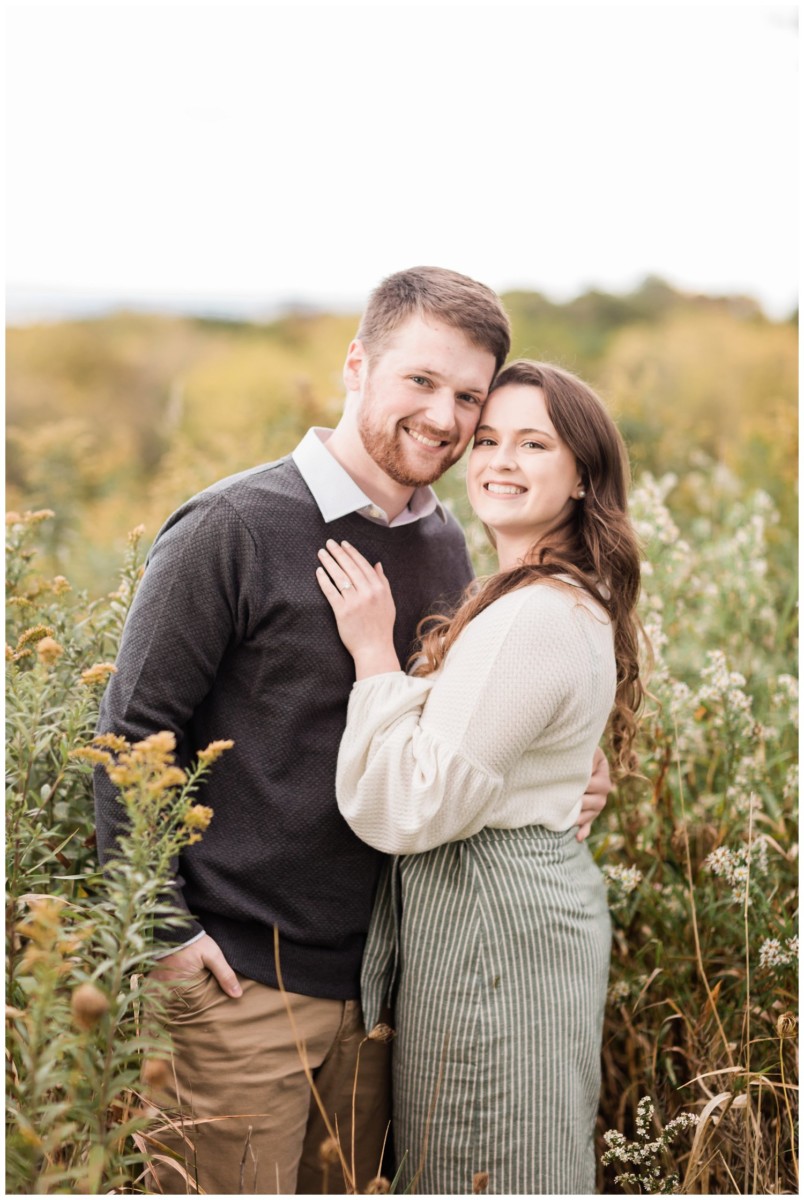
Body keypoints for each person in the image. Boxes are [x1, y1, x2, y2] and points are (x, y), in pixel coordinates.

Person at [94, 269, 611, 1195]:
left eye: (467, 397)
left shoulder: (451, 542)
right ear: (356, 364)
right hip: (239, 984)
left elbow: (453, 725)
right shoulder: (233, 526)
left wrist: (556, 768)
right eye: (420, 381)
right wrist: (164, 934)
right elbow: (133, 730)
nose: (446, 419)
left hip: (382, 991)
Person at [316, 359, 645, 1195]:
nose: (499, 459)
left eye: (534, 443)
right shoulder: (542, 595)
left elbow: (413, 805)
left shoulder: (533, 614)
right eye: (488, 438)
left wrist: (371, 654)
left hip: (494, 932)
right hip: (516, 917)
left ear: (582, 475)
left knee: (484, 1152)